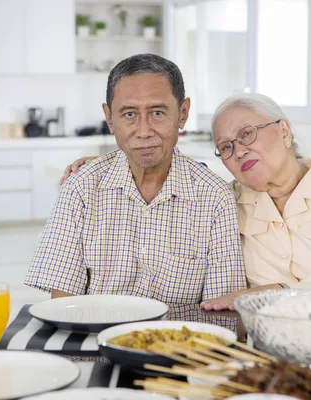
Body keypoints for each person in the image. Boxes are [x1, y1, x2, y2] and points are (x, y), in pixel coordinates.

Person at [61, 93, 311, 311]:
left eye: (247, 134)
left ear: (284, 131)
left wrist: (272, 292)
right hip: (255, 341)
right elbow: (173, 178)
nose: (238, 151)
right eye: (225, 147)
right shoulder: (225, 200)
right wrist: (116, 166)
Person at [25, 54, 246, 305]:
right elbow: (63, 304)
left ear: (182, 113)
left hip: (177, 340)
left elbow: (220, 312)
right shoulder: (81, 188)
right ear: (109, 118)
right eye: (129, 114)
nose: (143, 131)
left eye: (158, 113)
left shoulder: (215, 198)